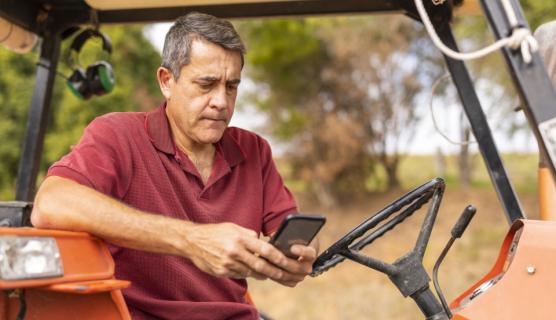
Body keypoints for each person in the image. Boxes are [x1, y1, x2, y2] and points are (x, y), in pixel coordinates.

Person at [31, 12, 318, 320]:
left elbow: (294, 231)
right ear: (167, 81)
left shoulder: (254, 151)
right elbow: (50, 204)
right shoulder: (118, 136)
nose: (221, 101)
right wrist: (192, 240)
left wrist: (298, 254)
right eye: (206, 85)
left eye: (231, 86)